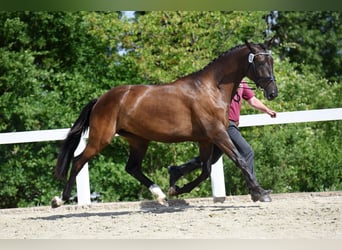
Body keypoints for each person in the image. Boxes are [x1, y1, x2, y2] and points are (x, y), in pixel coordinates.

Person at [168, 80, 277, 202]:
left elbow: (252, 100)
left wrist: (267, 110)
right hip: (225, 125)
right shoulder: (222, 82)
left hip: (231, 125)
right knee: (247, 151)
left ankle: (178, 170)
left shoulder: (243, 83)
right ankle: (254, 190)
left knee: (210, 159)